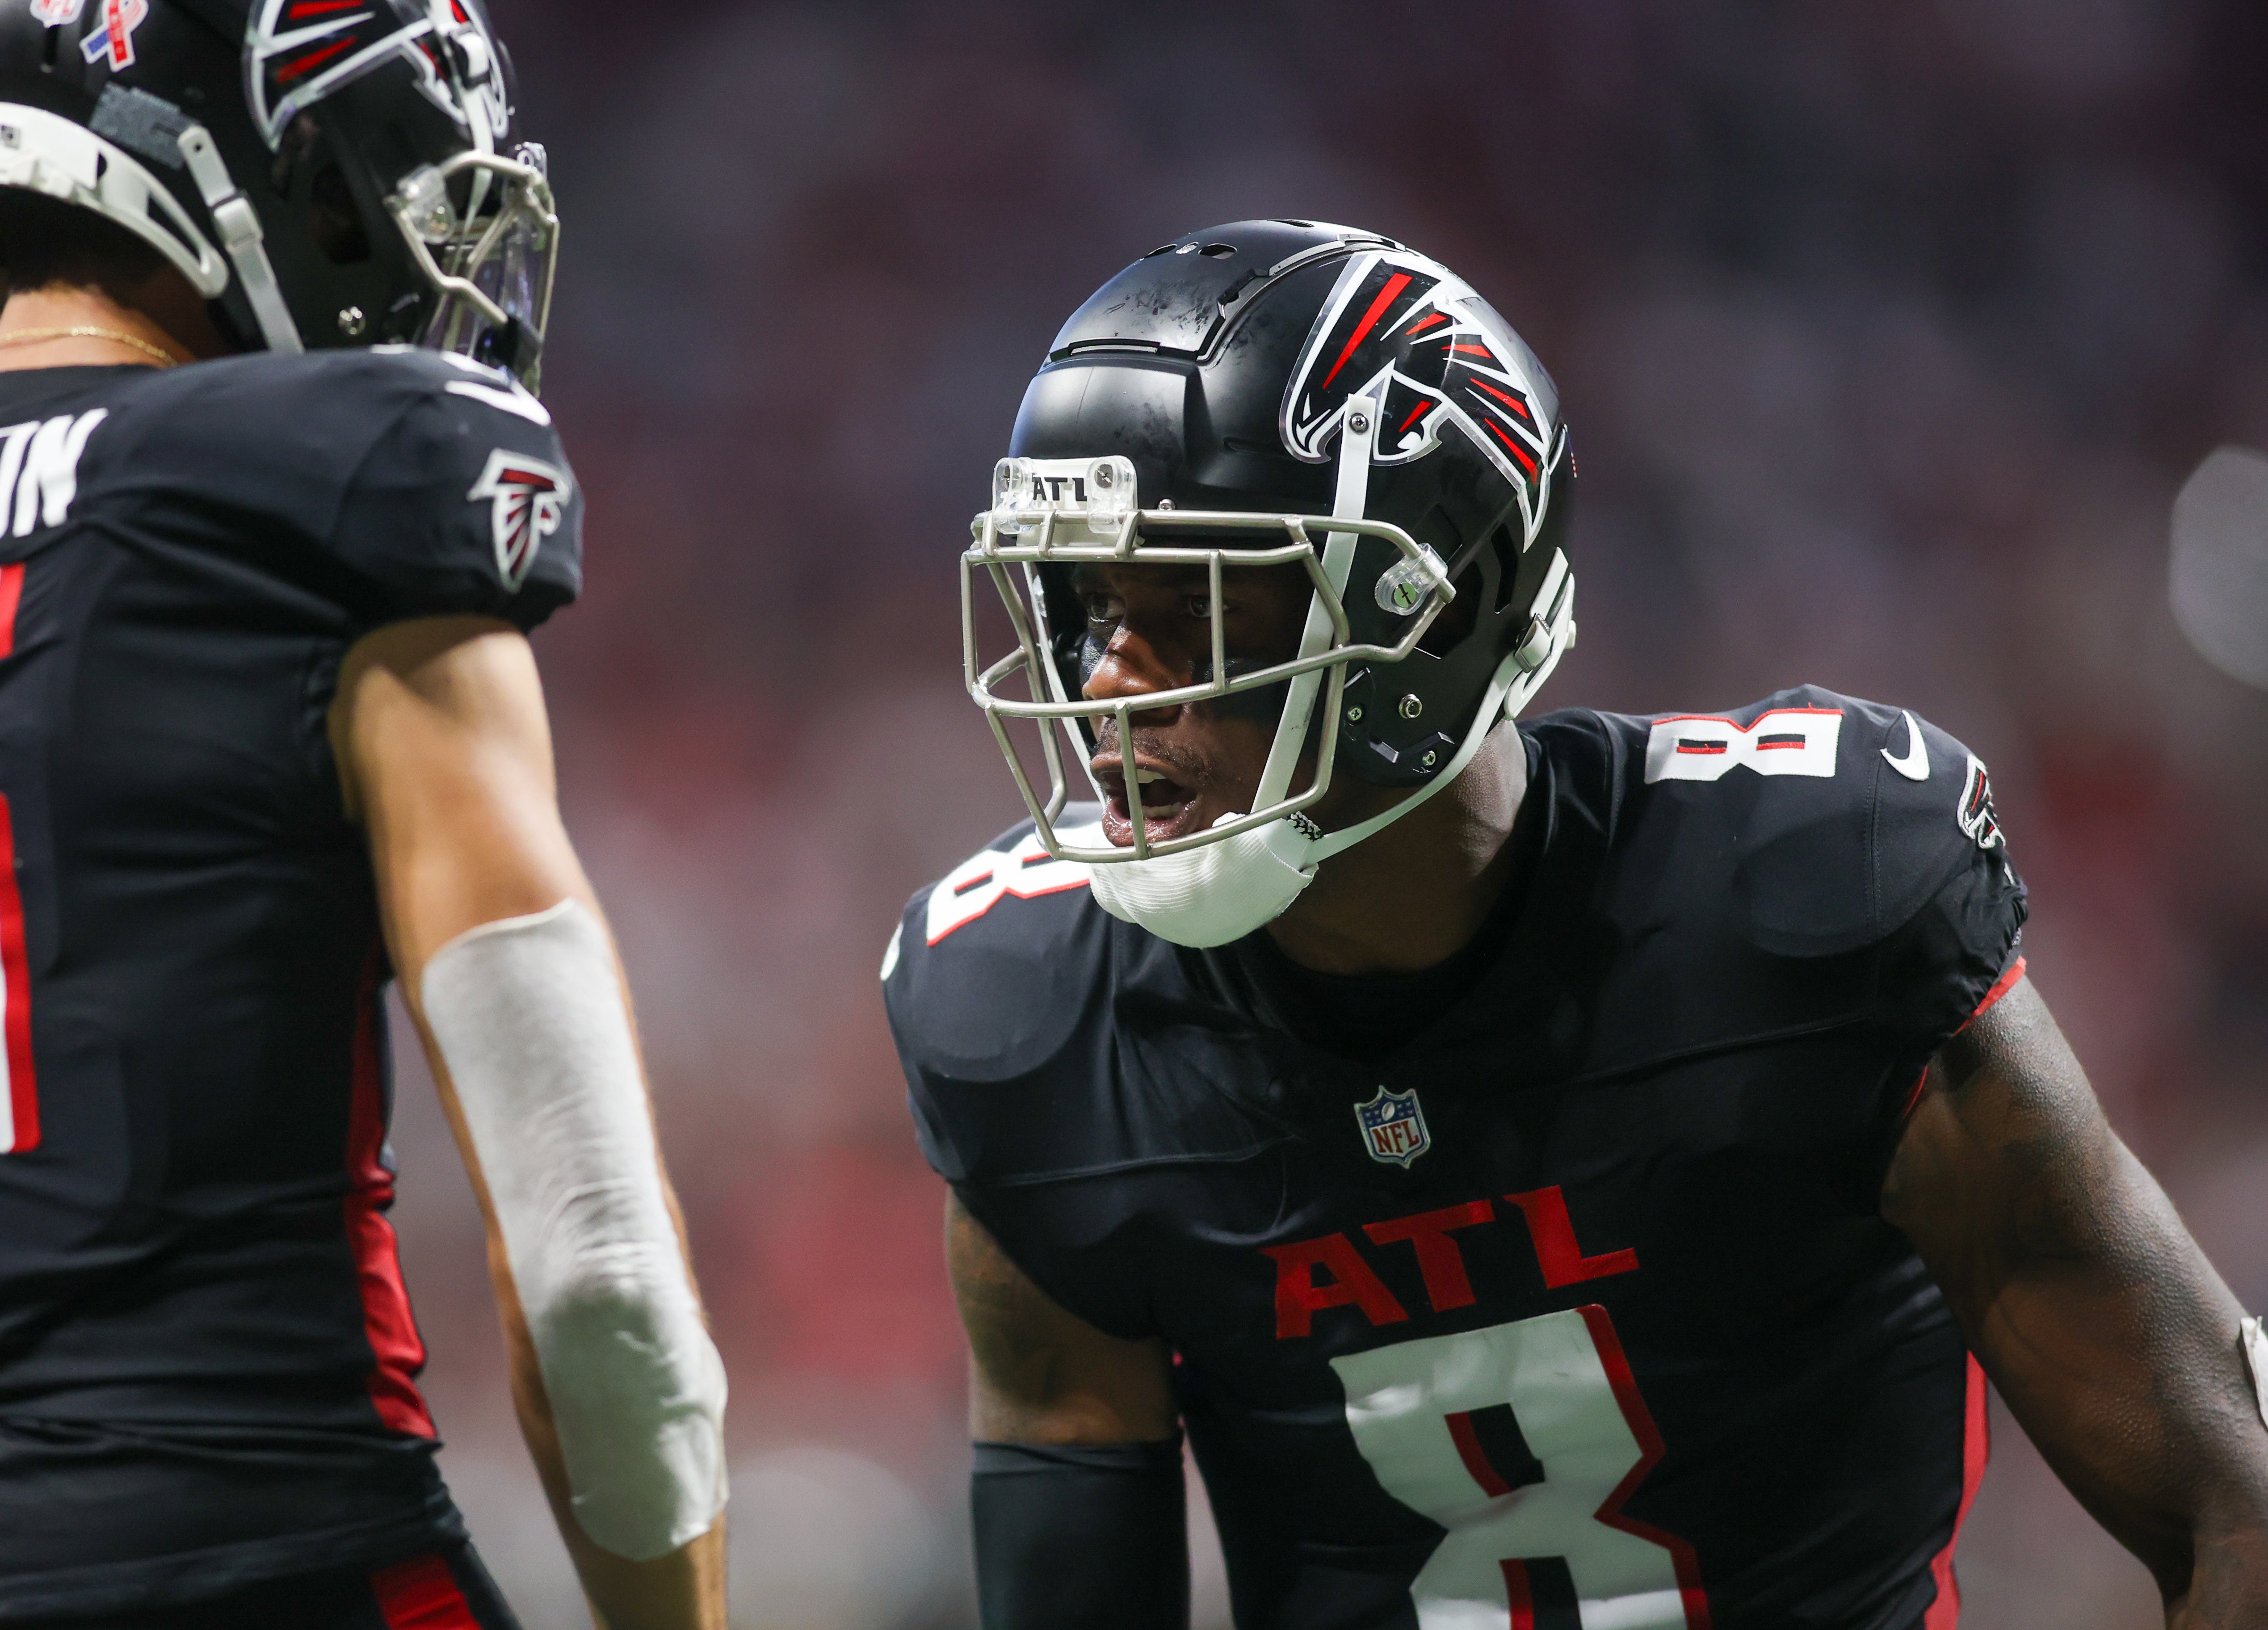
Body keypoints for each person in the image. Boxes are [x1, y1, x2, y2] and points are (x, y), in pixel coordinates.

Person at [883, 218, 2268, 1629]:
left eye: (1197, 608)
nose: (1114, 686)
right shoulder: (1029, 1014)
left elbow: (2238, 1509)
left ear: (1438, 607)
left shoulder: (1802, 908)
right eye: (1086, 606)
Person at [0, 3, 725, 1626]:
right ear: (259, 159)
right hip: (257, 1544)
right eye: (379, 174)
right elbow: (595, 1272)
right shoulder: (342, 476)